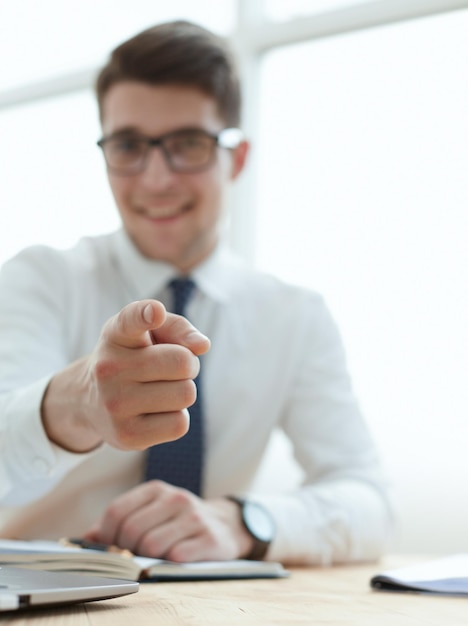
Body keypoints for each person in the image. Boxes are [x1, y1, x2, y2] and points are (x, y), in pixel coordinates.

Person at [0, 20, 391, 565]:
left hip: (203, 605)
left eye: (187, 144)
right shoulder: (38, 278)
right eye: (129, 145)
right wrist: (79, 405)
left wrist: (244, 520)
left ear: (237, 157)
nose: (156, 179)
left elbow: (369, 500)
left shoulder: (293, 315)